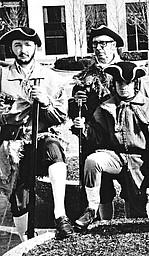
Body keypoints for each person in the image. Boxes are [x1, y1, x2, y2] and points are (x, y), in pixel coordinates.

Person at [0, 27, 72, 241]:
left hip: (41, 138)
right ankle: (26, 242)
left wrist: (46, 102)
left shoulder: (51, 78)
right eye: (17, 45)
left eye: (28, 45)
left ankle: (60, 216)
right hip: (12, 144)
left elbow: (61, 116)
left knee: (54, 149)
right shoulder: (2, 76)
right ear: (11, 48)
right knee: (19, 198)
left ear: (36, 48)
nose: (23, 50)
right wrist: (23, 107)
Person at [68, 25, 148, 219]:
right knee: (102, 189)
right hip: (95, 138)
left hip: (126, 139)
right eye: (95, 44)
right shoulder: (85, 76)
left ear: (114, 46)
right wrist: (76, 103)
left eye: (104, 43)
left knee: (132, 188)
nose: (99, 48)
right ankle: (104, 224)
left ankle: (133, 225)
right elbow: (75, 111)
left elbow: (144, 107)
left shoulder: (129, 71)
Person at [72, 62, 149, 230]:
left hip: (138, 161)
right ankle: (91, 208)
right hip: (115, 156)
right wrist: (83, 128)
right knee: (93, 161)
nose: (123, 87)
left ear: (135, 84)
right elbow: (96, 136)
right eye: (119, 83)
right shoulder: (106, 107)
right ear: (114, 84)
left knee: (136, 213)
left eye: (127, 83)